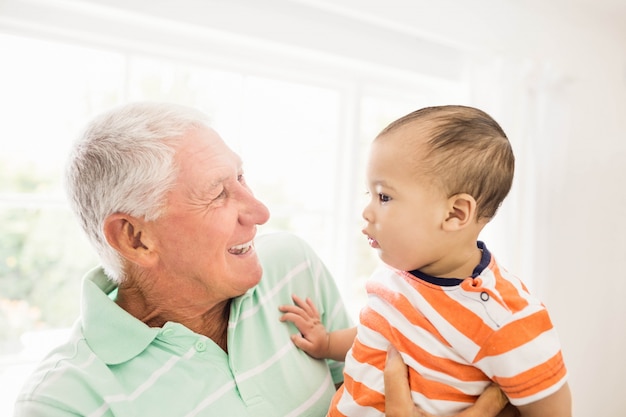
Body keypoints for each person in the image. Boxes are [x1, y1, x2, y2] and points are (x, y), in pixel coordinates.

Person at [13, 102, 510, 417]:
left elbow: (366, 391)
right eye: (217, 195)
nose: (260, 211)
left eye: (242, 178)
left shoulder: (290, 266)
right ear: (137, 239)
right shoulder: (62, 403)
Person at [280, 105, 571, 416]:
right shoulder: (395, 276)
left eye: (384, 197)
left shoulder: (505, 318)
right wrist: (327, 344)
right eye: (370, 194)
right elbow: (377, 333)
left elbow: (553, 409)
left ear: (455, 214)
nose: (367, 211)